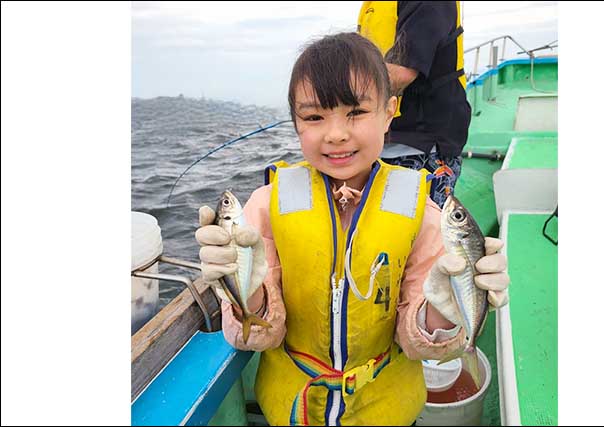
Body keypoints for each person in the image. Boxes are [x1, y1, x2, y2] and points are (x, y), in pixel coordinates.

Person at [195, 33, 508, 426]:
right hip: (295, 411)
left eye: (356, 112)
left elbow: (418, 343)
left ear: (390, 111)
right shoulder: (264, 206)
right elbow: (258, 335)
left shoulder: (422, 212)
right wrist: (246, 289)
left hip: (387, 409)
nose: (336, 134)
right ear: (295, 123)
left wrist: (444, 313)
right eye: (314, 117)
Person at [357, 1, 471, 207]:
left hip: (421, 144)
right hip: (378, 139)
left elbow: (402, 71)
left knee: (421, 230)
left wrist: (335, 97)